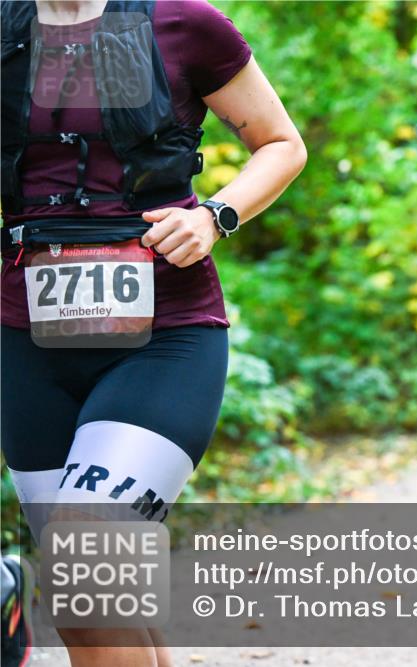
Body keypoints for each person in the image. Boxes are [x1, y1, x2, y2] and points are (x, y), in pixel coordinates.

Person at [0, 1, 307, 665]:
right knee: (105, 596)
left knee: (84, 574)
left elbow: (283, 144)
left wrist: (215, 216)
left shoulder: (183, 22)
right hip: (27, 343)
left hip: (164, 334)